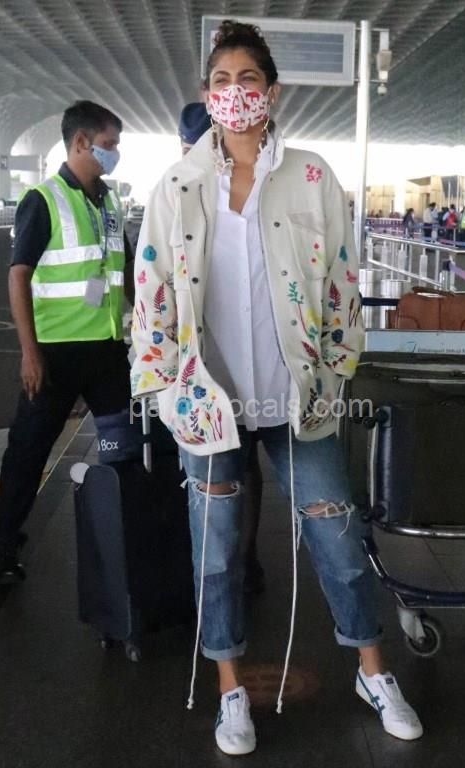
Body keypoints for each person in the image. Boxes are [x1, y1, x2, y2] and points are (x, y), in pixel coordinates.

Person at [131, 19, 422, 757]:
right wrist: (163, 386)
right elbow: (152, 291)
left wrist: (337, 368)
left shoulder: (312, 177)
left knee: (338, 536)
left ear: (272, 92)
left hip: (298, 400)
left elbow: (342, 282)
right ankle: (230, 687)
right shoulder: (178, 185)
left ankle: (373, 671)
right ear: (207, 95)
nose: (235, 94)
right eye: (221, 82)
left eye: (248, 80)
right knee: (216, 552)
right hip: (209, 405)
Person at [0, 100, 135, 584]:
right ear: (80, 143)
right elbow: (18, 275)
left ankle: (123, 541)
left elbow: (124, 269)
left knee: (120, 448)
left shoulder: (110, 202)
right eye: (109, 144)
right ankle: (4, 545)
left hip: (108, 352)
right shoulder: (44, 198)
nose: (115, 153)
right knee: (29, 451)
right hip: (55, 355)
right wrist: (29, 353)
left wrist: (146, 321)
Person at [178, 101, 265, 594]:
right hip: (198, 364)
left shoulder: (247, 192)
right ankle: (220, 569)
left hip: (243, 362)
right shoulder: (177, 191)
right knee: (211, 473)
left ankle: (241, 560)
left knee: (236, 467)